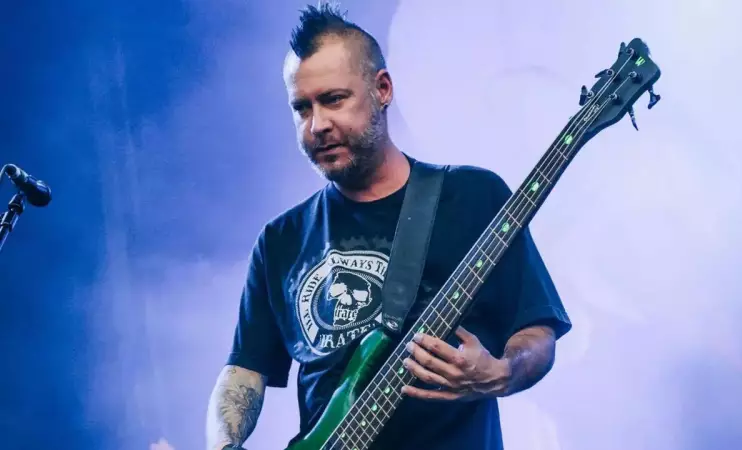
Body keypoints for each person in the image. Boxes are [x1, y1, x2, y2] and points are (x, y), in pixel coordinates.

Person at [205, 3, 571, 450]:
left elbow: (536, 330)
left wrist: (503, 372)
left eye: (334, 99)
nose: (317, 125)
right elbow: (245, 369)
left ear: (382, 89)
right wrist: (223, 444)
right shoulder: (281, 240)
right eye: (301, 108)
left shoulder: (472, 197)